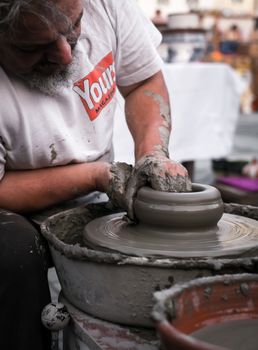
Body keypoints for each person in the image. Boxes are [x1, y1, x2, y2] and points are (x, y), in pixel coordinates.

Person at [0, 0, 191, 349]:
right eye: (33, 46)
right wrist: (95, 176)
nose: (65, 55)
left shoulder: (107, 4)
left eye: (74, 27)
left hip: (99, 197)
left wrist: (152, 152)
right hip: (15, 220)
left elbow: (142, 80)